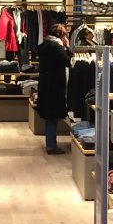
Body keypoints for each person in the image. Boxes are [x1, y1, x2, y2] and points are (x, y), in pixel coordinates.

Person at [36, 23, 71, 155]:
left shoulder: (44, 45)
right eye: (64, 35)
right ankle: (51, 146)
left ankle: (50, 143)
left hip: (46, 84)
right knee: (53, 116)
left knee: (50, 116)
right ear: (60, 35)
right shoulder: (57, 47)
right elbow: (68, 61)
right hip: (54, 86)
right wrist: (67, 47)